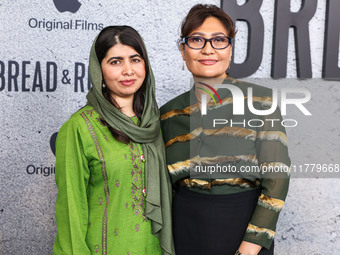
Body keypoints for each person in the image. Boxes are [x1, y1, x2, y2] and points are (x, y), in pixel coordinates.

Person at [160, 4, 290, 255]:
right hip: (184, 233)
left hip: (244, 232)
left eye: (219, 40)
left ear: (230, 50)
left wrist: (250, 248)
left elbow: (277, 179)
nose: (208, 49)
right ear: (183, 50)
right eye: (196, 40)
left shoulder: (261, 102)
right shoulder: (168, 114)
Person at [53, 26, 174, 255]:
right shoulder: (80, 127)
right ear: (99, 69)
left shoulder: (156, 124)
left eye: (135, 60)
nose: (128, 71)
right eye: (116, 62)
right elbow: (71, 210)